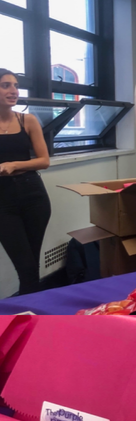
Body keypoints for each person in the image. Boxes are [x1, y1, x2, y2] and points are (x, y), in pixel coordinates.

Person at [0, 69, 51, 296]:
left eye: (15, 85)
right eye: (5, 85)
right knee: (26, 267)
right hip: (3, 202)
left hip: (34, 197)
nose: (13, 91)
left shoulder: (27, 120)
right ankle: (31, 316)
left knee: (32, 266)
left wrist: (14, 165)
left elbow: (44, 160)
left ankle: (30, 317)